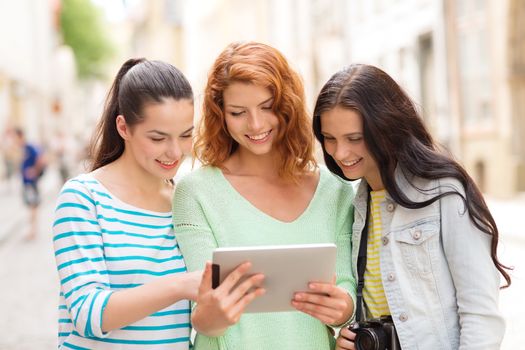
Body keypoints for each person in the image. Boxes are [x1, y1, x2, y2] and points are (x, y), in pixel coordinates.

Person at [312, 64, 511, 350]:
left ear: (386, 127)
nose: (340, 153)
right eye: (329, 139)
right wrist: (348, 333)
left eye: (354, 138)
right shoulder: (353, 204)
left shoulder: (444, 191)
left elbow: (481, 316)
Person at [172, 41, 356, 350]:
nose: (255, 124)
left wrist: (344, 310)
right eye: (238, 112)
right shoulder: (196, 193)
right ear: (220, 114)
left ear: (287, 105)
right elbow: (202, 314)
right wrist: (212, 313)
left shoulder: (334, 191)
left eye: (267, 107)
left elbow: (347, 291)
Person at [52, 58, 202, 349]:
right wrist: (180, 286)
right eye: (158, 138)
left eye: (185, 135)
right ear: (123, 127)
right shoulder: (84, 198)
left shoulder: (184, 202)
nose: (175, 151)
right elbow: (87, 312)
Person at [13, 127, 46, 240]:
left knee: (33, 205)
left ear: (20, 136)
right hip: (26, 182)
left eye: (15, 137)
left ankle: (33, 231)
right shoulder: (21, 149)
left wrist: (35, 171)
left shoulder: (29, 147)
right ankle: (32, 230)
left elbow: (41, 158)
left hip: (31, 182)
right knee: (31, 206)